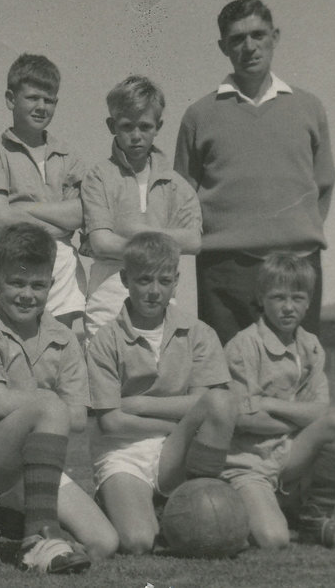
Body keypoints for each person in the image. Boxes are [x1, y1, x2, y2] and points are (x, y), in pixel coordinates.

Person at [0, 224, 115, 571]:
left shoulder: (64, 339)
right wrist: (46, 403)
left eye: (37, 285)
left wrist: (45, 408)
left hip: (37, 463)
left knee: (104, 541)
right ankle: (36, 542)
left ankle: (2, 517)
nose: (27, 294)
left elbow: (76, 420)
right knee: (49, 408)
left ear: (51, 287)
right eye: (17, 283)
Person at [174, 0, 335, 344]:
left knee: (295, 379)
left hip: (297, 267)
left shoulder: (308, 108)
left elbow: (323, 185)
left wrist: (292, 235)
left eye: (258, 35)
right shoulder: (199, 115)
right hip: (225, 270)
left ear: (274, 37)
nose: (249, 46)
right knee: (229, 382)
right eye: (237, 39)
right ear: (223, 46)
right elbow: (182, 195)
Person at [85, 233, 237, 554]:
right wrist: (178, 424)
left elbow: (207, 403)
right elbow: (110, 423)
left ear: (176, 281)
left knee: (222, 401)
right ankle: (120, 501)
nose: (154, 291)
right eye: (144, 280)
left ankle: (192, 496)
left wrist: (138, 404)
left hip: (173, 450)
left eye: (164, 280)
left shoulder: (198, 332)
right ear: (126, 279)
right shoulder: (105, 340)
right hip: (123, 451)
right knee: (139, 541)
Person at [221, 253, 335, 549]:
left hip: (290, 453)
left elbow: (320, 410)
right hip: (250, 461)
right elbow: (244, 419)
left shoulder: (310, 345)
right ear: (261, 298)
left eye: (297, 298)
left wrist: (269, 404)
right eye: (278, 297)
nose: (288, 307)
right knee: (273, 540)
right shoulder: (242, 345)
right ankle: (247, 503)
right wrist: (301, 414)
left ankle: (314, 519)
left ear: (309, 301)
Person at [81, 75, 201, 341]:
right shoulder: (98, 177)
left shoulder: (175, 185)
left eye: (145, 126)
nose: (136, 136)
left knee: (158, 368)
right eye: (127, 126)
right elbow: (101, 243)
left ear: (158, 126)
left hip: (159, 295)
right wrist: (162, 241)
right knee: (105, 372)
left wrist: (130, 230)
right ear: (112, 125)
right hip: (107, 292)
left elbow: (193, 240)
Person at [0, 54, 86, 328]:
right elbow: (0, 219)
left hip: (57, 259)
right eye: (33, 98)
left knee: (59, 339)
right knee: (4, 338)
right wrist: (54, 219)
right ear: (11, 99)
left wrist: (23, 209)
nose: (41, 107)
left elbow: (77, 217)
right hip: (8, 256)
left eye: (48, 100)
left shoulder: (67, 155)